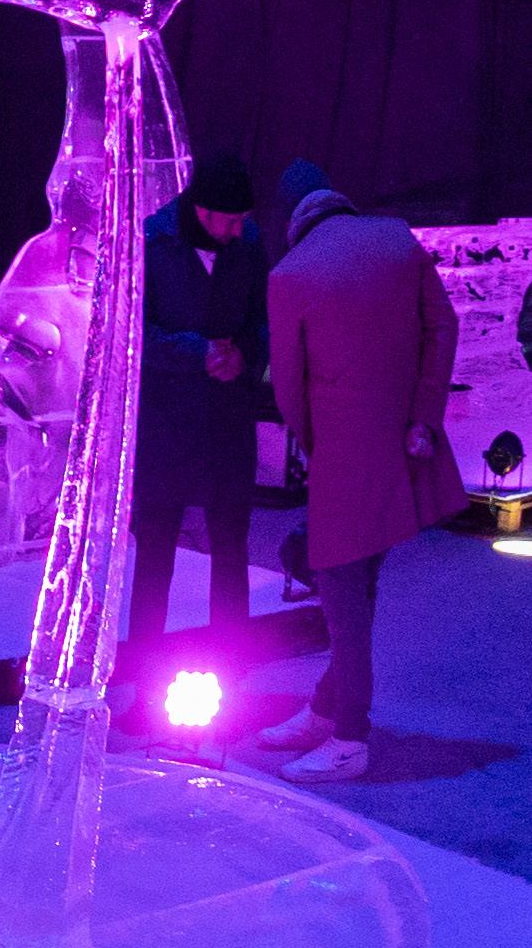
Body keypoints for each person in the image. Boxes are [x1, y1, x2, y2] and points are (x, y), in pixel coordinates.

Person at [261, 182, 465, 782]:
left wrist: (317, 448)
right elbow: (443, 327)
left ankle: (349, 736)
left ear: (295, 222)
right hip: (406, 445)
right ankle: (328, 708)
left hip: (343, 458)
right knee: (360, 584)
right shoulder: (397, 239)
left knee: (342, 595)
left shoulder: (290, 273)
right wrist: (423, 415)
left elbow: (288, 388)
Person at [120, 151, 267, 723]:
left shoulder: (249, 243)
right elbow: (131, 331)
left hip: (228, 421)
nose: (238, 229)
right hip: (167, 423)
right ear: (201, 210)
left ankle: (233, 682)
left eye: (243, 219)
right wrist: (195, 353)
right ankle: (145, 689)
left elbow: (263, 318)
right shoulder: (151, 244)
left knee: (231, 550)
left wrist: (245, 356)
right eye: (230, 219)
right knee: (155, 555)